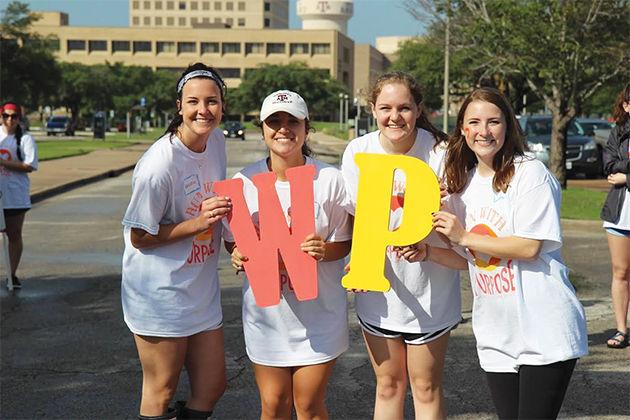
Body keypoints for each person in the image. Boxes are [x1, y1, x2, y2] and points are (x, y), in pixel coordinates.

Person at [432, 87, 588, 419]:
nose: (483, 131)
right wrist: (426, 252)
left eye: (493, 121)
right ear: (462, 128)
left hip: (544, 328)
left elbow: (529, 247)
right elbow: (472, 260)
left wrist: (463, 234)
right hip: (497, 332)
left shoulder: (529, 173)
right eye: (474, 122)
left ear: (508, 126)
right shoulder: (463, 185)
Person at [341, 72, 461, 419]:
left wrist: (440, 201)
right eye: (386, 108)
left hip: (430, 290)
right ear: (373, 110)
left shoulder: (441, 152)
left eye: (404, 108)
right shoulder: (358, 151)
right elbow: (355, 217)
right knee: (388, 385)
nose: (395, 117)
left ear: (418, 109)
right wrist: (356, 260)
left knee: (425, 387)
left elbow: (459, 218)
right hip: (379, 291)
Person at [226, 90, 352, 420]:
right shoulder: (244, 181)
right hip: (267, 318)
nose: (283, 129)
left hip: (320, 316)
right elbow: (233, 240)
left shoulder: (330, 180)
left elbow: (347, 241)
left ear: (306, 127)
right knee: (274, 405)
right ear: (263, 129)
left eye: (292, 121)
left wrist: (324, 251)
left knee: (308, 406)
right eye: (275, 122)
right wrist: (237, 252)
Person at [121, 63, 232, 420]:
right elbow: (140, 236)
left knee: (212, 385)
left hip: (200, 287)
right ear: (179, 106)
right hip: (161, 292)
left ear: (222, 105)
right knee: (161, 388)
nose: (204, 110)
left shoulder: (216, 140)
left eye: (212, 101)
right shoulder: (160, 164)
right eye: (194, 102)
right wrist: (198, 222)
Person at [600, 82, 630, 349]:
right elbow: (608, 167)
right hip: (619, 214)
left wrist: (627, 176)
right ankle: (621, 330)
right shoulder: (617, 134)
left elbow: (620, 172)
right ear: (626, 106)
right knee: (620, 272)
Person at [0, 102, 38, 289]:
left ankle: (11, 274)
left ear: (19, 118)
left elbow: (29, 165)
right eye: (6, 116)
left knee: (14, 234)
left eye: (14, 116)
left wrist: (3, 163)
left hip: (15, 195)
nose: (9, 120)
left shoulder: (25, 139)